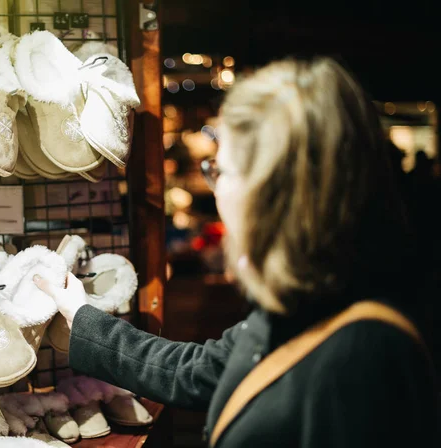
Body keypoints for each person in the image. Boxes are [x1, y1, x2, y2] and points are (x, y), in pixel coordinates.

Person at [34, 57, 439, 447]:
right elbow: (195, 371)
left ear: (272, 192)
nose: (215, 186)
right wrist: (82, 317)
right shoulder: (304, 305)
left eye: (220, 170)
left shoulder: (365, 357)